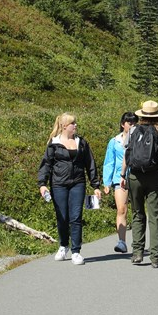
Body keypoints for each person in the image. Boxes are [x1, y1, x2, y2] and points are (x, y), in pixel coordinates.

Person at [37, 113, 103, 265]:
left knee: (76, 217)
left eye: (75, 123)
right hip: (58, 184)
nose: (76, 126)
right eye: (73, 123)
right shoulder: (53, 144)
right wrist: (42, 184)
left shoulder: (81, 142)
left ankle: (76, 251)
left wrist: (95, 185)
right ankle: (63, 246)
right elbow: (46, 164)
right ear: (64, 126)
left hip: (77, 183)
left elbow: (90, 164)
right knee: (62, 217)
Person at [123, 100, 158, 268]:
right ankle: (156, 257)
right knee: (156, 216)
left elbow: (127, 154)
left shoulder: (132, 131)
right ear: (157, 115)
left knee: (137, 213)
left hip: (135, 176)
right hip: (153, 176)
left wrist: (123, 175)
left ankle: (137, 253)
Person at [101, 112, 137, 253]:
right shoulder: (114, 141)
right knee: (121, 209)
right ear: (123, 124)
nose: (132, 125)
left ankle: (138, 240)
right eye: (129, 123)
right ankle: (121, 241)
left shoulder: (139, 139)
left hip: (136, 177)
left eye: (134, 123)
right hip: (119, 179)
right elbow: (109, 162)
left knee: (137, 210)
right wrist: (106, 182)